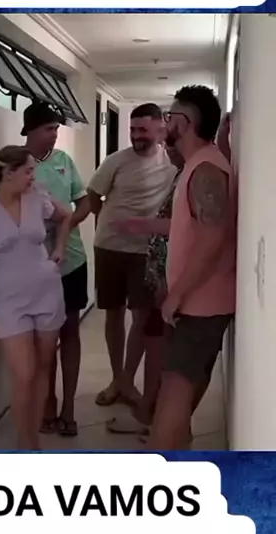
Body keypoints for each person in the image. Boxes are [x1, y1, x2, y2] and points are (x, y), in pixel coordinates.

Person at [147, 86, 237, 450]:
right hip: (201, 302)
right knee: (182, 389)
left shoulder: (205, 169)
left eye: (169, 117)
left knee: (175, 390)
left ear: (184, 123)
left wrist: (178, 294)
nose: (165, 124)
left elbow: (213, 238)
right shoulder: (205, 162)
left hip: (201, 305)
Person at [0, 145, 73, 451]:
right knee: (23, 374)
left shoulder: (37, 197)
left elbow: (67, 216)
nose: (33, 176)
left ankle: (32, 440)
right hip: (8, 300)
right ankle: (24, 442)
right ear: (8, 173)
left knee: (43, 366)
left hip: (46, 290)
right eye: (28, 171)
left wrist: (59, 249)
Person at [87, 103, 177, 426]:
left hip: (145, 252)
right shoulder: (116, 161)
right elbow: (93, 194)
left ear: (160, 129)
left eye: (143, 130)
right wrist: (108, 219)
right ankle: (117, 380)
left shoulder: (171, 162)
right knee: (113, 314)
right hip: (109, 247)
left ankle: (127, 380)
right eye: (132, 129)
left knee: (141, 317)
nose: (136, 136)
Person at [21, 101, 91, 437]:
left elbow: (85, 200)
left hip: (71, 260)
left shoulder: (64, 161)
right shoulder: (18, 165)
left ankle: (69, 407)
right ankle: (47, 402)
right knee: (43, 338)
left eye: (56, 129)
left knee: (70, 331)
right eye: (49, 129)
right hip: (35, 266)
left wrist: (69, 222)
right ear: (31, 130)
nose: (54, 135)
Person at [113, 143, 184, 433]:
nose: (168, 149)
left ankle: (151, 416)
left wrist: (142, 225)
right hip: (161, 276)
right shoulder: (180, 173)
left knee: (159, 345)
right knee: (153, 336)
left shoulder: (193, 174)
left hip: (171, 279)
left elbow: (185, 227)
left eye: (172, 142)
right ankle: (150, 411)